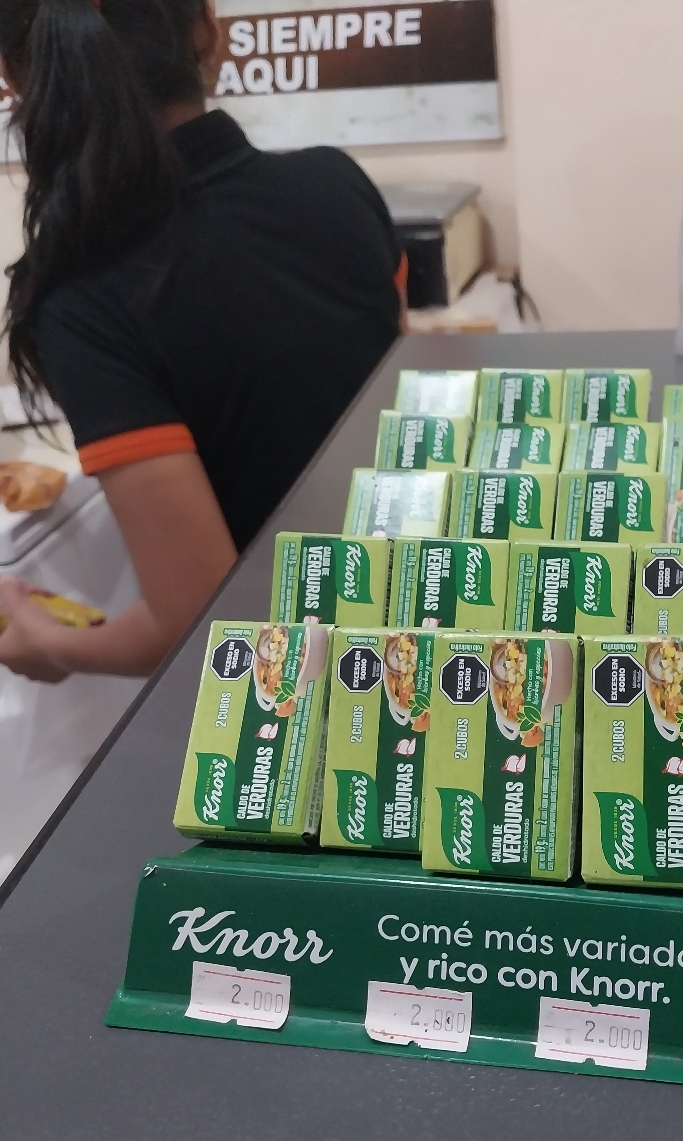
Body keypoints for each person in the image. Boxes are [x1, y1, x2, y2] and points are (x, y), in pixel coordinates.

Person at [0, 0, 404, 682]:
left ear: (13, 79)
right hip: (438, 617)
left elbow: (201, 622)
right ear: (208, 29)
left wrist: (50, 644)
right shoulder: (337, 184)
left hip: (303, 690)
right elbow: (405, 420)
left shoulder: (81, 299)